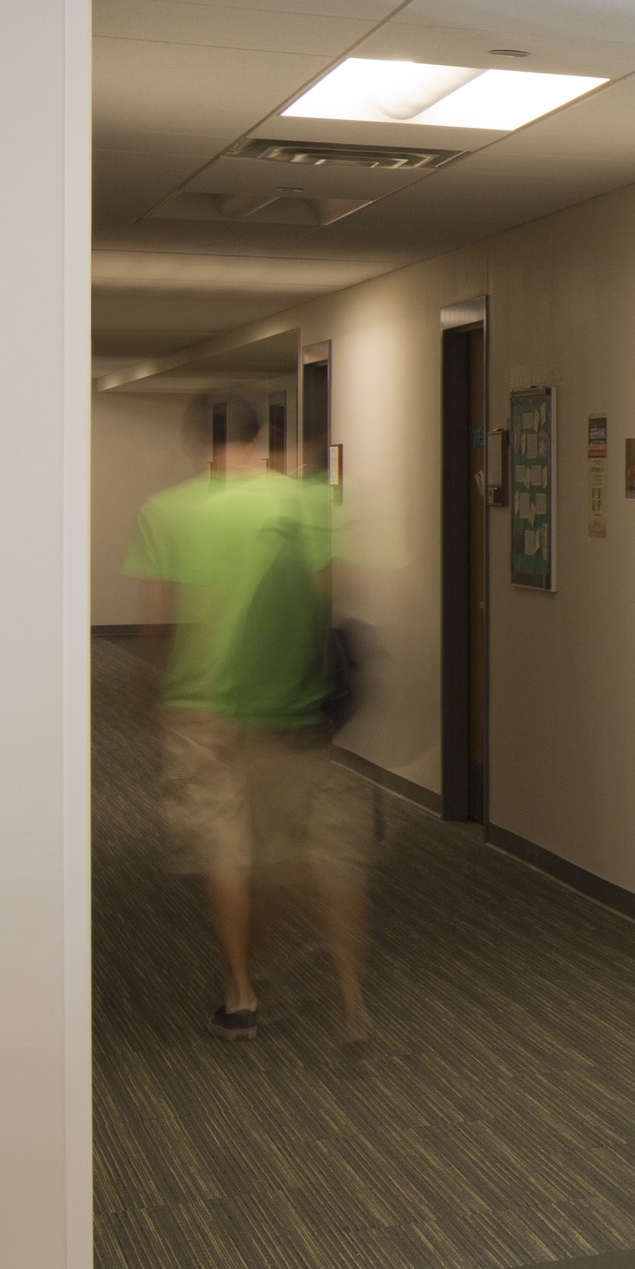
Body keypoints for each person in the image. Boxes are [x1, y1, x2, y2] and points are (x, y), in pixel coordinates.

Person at [125, 397, 370, 1042]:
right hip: (280, 705)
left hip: (198, 707)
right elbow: (330, 593)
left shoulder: (164, 511)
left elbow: (158, 621)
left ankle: (241, 993)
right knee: (285, 846)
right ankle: (333, 991)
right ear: (260, 438)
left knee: (224, 851)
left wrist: (147, 686)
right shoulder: (300, 504)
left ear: (201, 442)